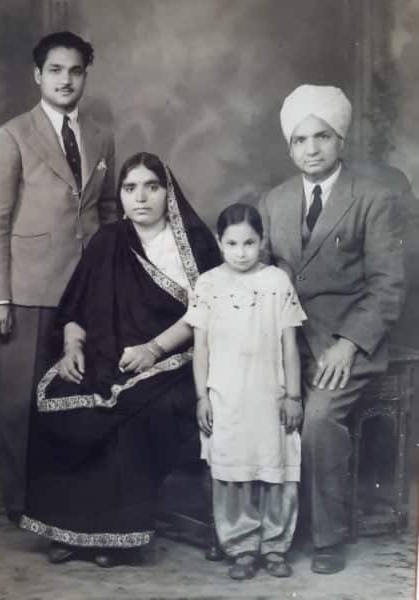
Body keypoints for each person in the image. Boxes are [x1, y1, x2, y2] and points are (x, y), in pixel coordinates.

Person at [19, 152, 221, 566]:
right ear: (121, 196)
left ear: (169, 192)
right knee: (56, 396)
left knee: (131, 413)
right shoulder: (109, 240)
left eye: (152, 187)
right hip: (103, 353)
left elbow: (205, 314)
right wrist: (72, 348)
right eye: (130, 189)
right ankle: (70, 530)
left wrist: (154, 349)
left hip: (176, 359)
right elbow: (74, 307)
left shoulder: (194, 243)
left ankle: (113, 537)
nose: (141, 198)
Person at [258, 84, 405, 574]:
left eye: (322, 137)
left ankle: (327, 537)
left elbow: (388, 286)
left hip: (346, 342)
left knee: (318, 418)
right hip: (285, 340)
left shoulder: (373, 198)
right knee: (242, 398)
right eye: (301, 140)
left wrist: (348, 344)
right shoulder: (273, 201)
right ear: (290, 146)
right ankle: (252, 531)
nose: (312, 149)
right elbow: (256, 276)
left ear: (341, 140)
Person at [0, 31, 115, 524]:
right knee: (21, 404)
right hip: (28, 290)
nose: (66, 80)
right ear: (38, 76)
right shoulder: (12, 135)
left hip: (86, 291)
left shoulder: (99, 136)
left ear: (84, 77)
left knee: (75, 398)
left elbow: (106, 208)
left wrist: (110, 276)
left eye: (75, 71)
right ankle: (22, 503)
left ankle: (65, 503)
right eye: (55, 70)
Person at [185, 203, 306, 580]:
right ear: (220, 243)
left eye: (249, 243)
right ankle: (240, 547)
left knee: (275, 469)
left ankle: (274, 546)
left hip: (270, 393)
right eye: (232, 243)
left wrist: (293, 396)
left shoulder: (276, 283)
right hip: (227, 394)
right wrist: (202, 397)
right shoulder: (208, 285)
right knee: (233, 471)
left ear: (262, 242)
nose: (241, 252)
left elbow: (290, 346)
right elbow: (200, 348)